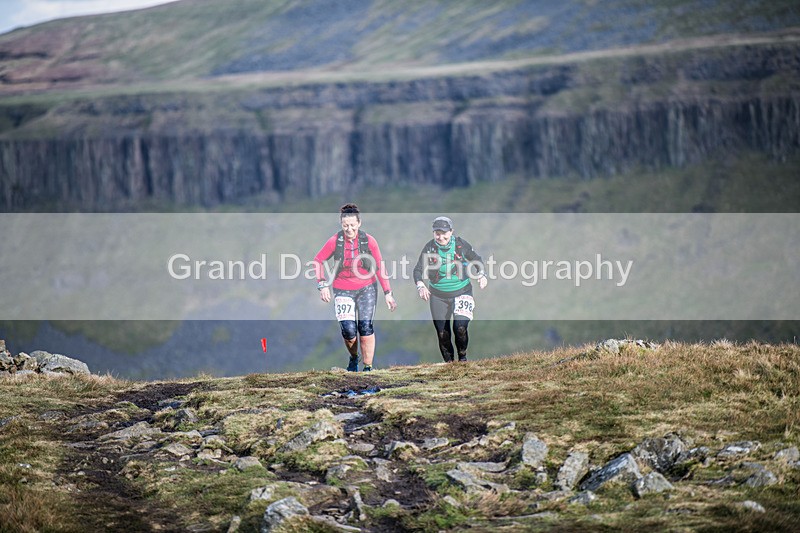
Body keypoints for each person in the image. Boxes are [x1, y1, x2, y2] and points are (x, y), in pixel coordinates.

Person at [313, 204, 397, 371]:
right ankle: (354, 357)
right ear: (341, 224)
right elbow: (318, 260)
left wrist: (388, 292)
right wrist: (322, 285)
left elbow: (379, 265)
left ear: (359, 223)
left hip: (367, 287)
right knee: (349, 330)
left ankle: (368, 367)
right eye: (345, 226)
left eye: (352, 225)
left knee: (365, 326)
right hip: (342, 288)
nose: (349, 229)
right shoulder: (335, 241)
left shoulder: (369, 241)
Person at [413, 216, 487, 362]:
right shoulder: (430, 247)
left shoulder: (461, 244)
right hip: (438, 295)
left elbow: (477, 259)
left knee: (460, 328)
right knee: (442, 333)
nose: (440, 237)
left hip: (462, 292)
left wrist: (482, 274)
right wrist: (420, 286)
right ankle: (449, 365)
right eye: (437, 233)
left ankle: (463, 360)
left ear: (451, 232)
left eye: (444, 233)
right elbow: (417, 270)